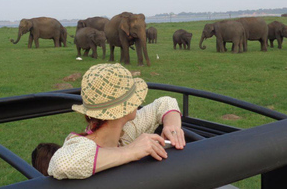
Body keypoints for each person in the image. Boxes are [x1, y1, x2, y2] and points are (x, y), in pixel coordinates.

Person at [47, 63, 186, 179]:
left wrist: (172, 128)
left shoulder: (125, 132)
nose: (138, 101)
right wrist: (131, 151)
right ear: (122, 110)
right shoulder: (80, 146)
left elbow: (165, 103)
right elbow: (61, 164)